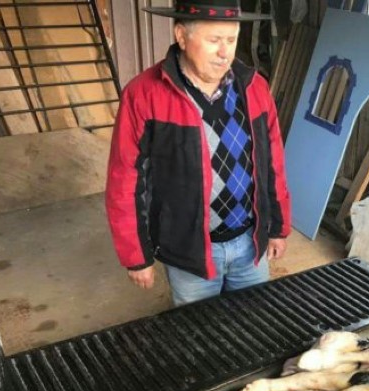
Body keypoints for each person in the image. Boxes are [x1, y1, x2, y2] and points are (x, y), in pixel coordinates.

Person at [105, 0, 290, 306]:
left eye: (231, 40)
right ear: (181, 36)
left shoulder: (254, 87)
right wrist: (136, 255)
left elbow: (273, 162)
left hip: (249, 242)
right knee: (201, 337)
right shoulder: (144, 94)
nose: (224, 52)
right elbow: (125, 179)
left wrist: (278, 228)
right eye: (214, 40)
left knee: (255, 326)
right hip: (188, 252)